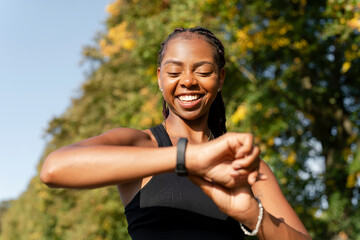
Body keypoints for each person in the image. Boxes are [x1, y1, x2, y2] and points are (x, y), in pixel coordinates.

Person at [41, 27, 312, 240]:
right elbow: (54, 169)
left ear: (221, 78)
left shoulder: (242, 165)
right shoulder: (141, 144)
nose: (188, 81)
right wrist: (186, 159)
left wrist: (252, 214)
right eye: (174, 71)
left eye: (203, 71)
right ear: (160, 78)